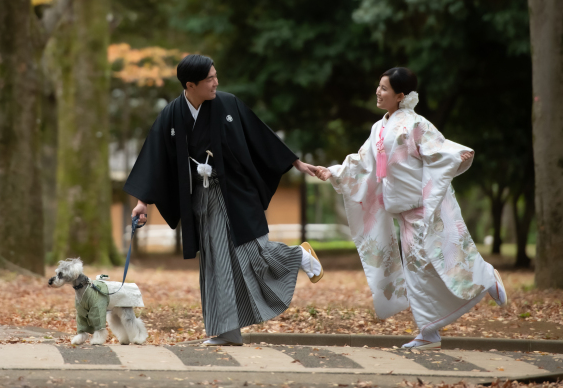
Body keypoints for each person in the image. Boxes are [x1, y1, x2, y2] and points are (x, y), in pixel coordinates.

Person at [124, 54, 325, 346]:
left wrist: (296, 163)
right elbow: (154, 159)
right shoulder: (171, 114)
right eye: (209, 79)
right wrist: (142, 202)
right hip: (201, 197)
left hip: (234, 191)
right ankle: (228, 331)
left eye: (216, 76)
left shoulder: (229, 104)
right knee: (216, 262)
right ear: (190, 85)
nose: (216, 82)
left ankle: (298, 256)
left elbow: (260, 136)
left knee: (254, 251)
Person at [315, 67, 508, 349]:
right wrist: (332, 171)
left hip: (426, 209)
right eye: (379, 86)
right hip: (404, 214)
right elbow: (361, 162)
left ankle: (485, 278)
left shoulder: (416, 124)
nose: (378, 92)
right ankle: (429, 331)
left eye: (384, 88)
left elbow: (438, 149)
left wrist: (456, 154)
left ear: (400, 95)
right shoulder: (378, 128)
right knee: (418, 271)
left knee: (445, 257)